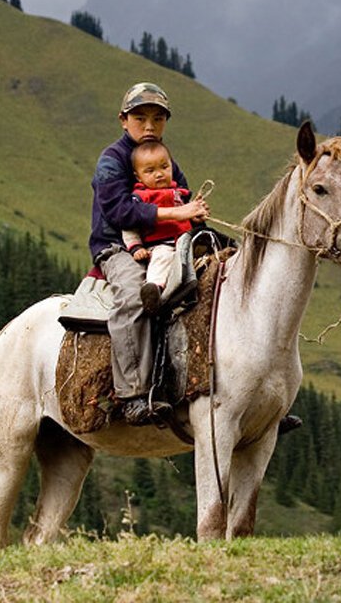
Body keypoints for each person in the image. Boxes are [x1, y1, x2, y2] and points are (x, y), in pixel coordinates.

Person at [89, 82, 208, 425]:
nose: (149, 125)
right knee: (132, 296)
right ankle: (132, 395)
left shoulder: (166, 159)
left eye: (158, 118)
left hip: (171, 244)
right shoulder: (112, 161)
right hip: (120, 247)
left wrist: (198, 217)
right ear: (123, 120)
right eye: (140, 117)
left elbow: (183, 200)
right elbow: (118, 212)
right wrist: (177, 215)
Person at [121, 140, 195, 315]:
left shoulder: (179, 193)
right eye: (150, 171)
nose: (159, 174)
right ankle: (154, 290)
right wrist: (136, 247)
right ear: (138, 177)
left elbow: (187, 217)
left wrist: (196, 216)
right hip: (163, 245)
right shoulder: (140, 198)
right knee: (162, 259)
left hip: (187, 241)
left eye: (164, 167)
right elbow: (129, 226)